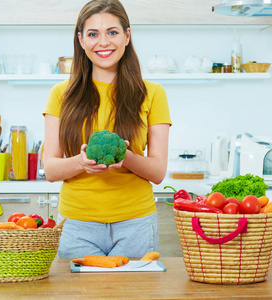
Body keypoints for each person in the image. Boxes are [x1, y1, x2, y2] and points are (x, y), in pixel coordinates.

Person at [42, 0, 172, 259]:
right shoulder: (60, 94)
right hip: (76, 225)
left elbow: (158, 172)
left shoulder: (153, 93)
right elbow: (51, 169)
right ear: (80, 40)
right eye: (93, 34)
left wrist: (126, 157)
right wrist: (82, 162)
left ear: (127, 35)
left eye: (112, 32)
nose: (103, 42)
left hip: (136, 223)